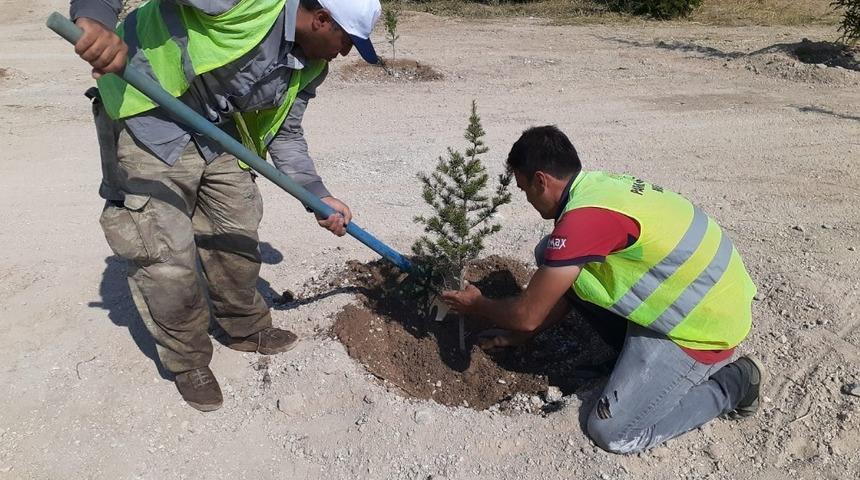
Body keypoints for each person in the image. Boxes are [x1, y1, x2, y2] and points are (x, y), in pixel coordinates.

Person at [70, 0, 383, 411]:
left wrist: (317, 194)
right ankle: (188, 360)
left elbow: (285, 132)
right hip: (148, 112)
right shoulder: (240, 2)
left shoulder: (310, 65)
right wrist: (95, 21)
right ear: (322, 20)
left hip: (217, 128)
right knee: (164, 256)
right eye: (346, 41)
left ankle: (244, 327)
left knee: (237, 231)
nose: (344, 53)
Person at [441, 125, 764, 454]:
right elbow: (543, 306)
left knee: (612, 431)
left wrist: (478, 305)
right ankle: (626, 356)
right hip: (704, 291)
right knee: (550, 254)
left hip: (703, 326)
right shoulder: (595, 187)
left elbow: (527, 315)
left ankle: (733, 385)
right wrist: (520, 336)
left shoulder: (584, 221)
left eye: (524, 189)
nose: (527, 199)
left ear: (541, 180)